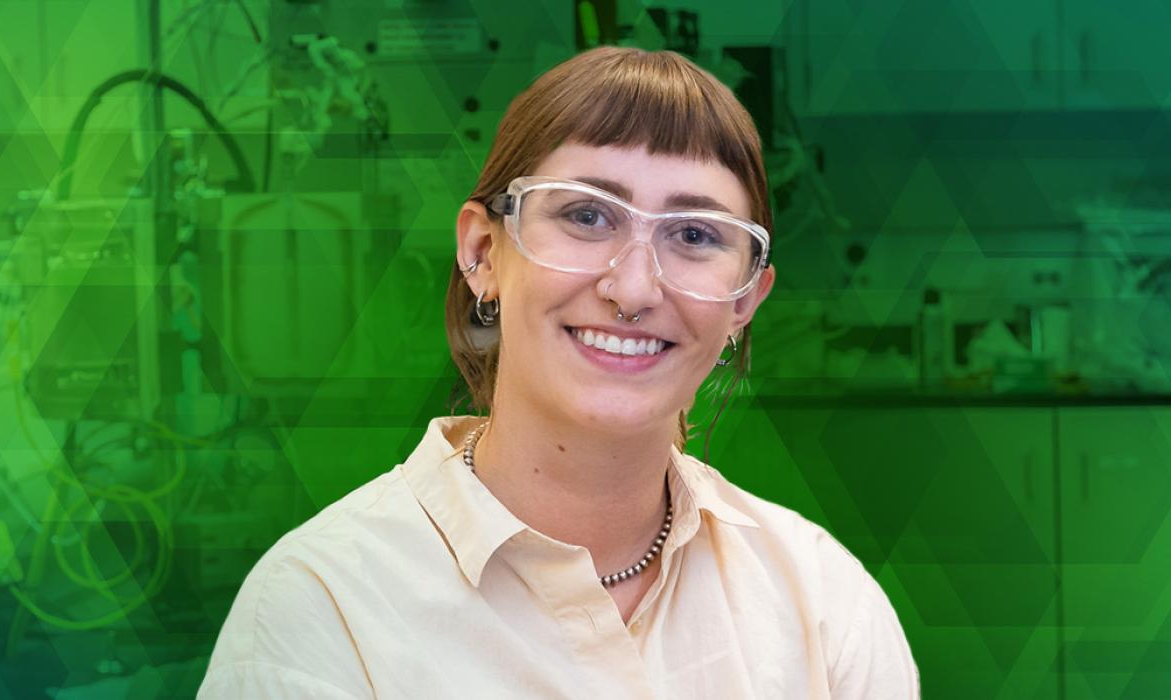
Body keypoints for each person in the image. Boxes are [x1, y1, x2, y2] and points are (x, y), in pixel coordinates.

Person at [199, 46, 918, 699]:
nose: (634, 289)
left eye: (695, 235)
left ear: (743, 305)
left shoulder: (823, 605)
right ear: (483, 252)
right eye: (585, 216)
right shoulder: (321, 614)